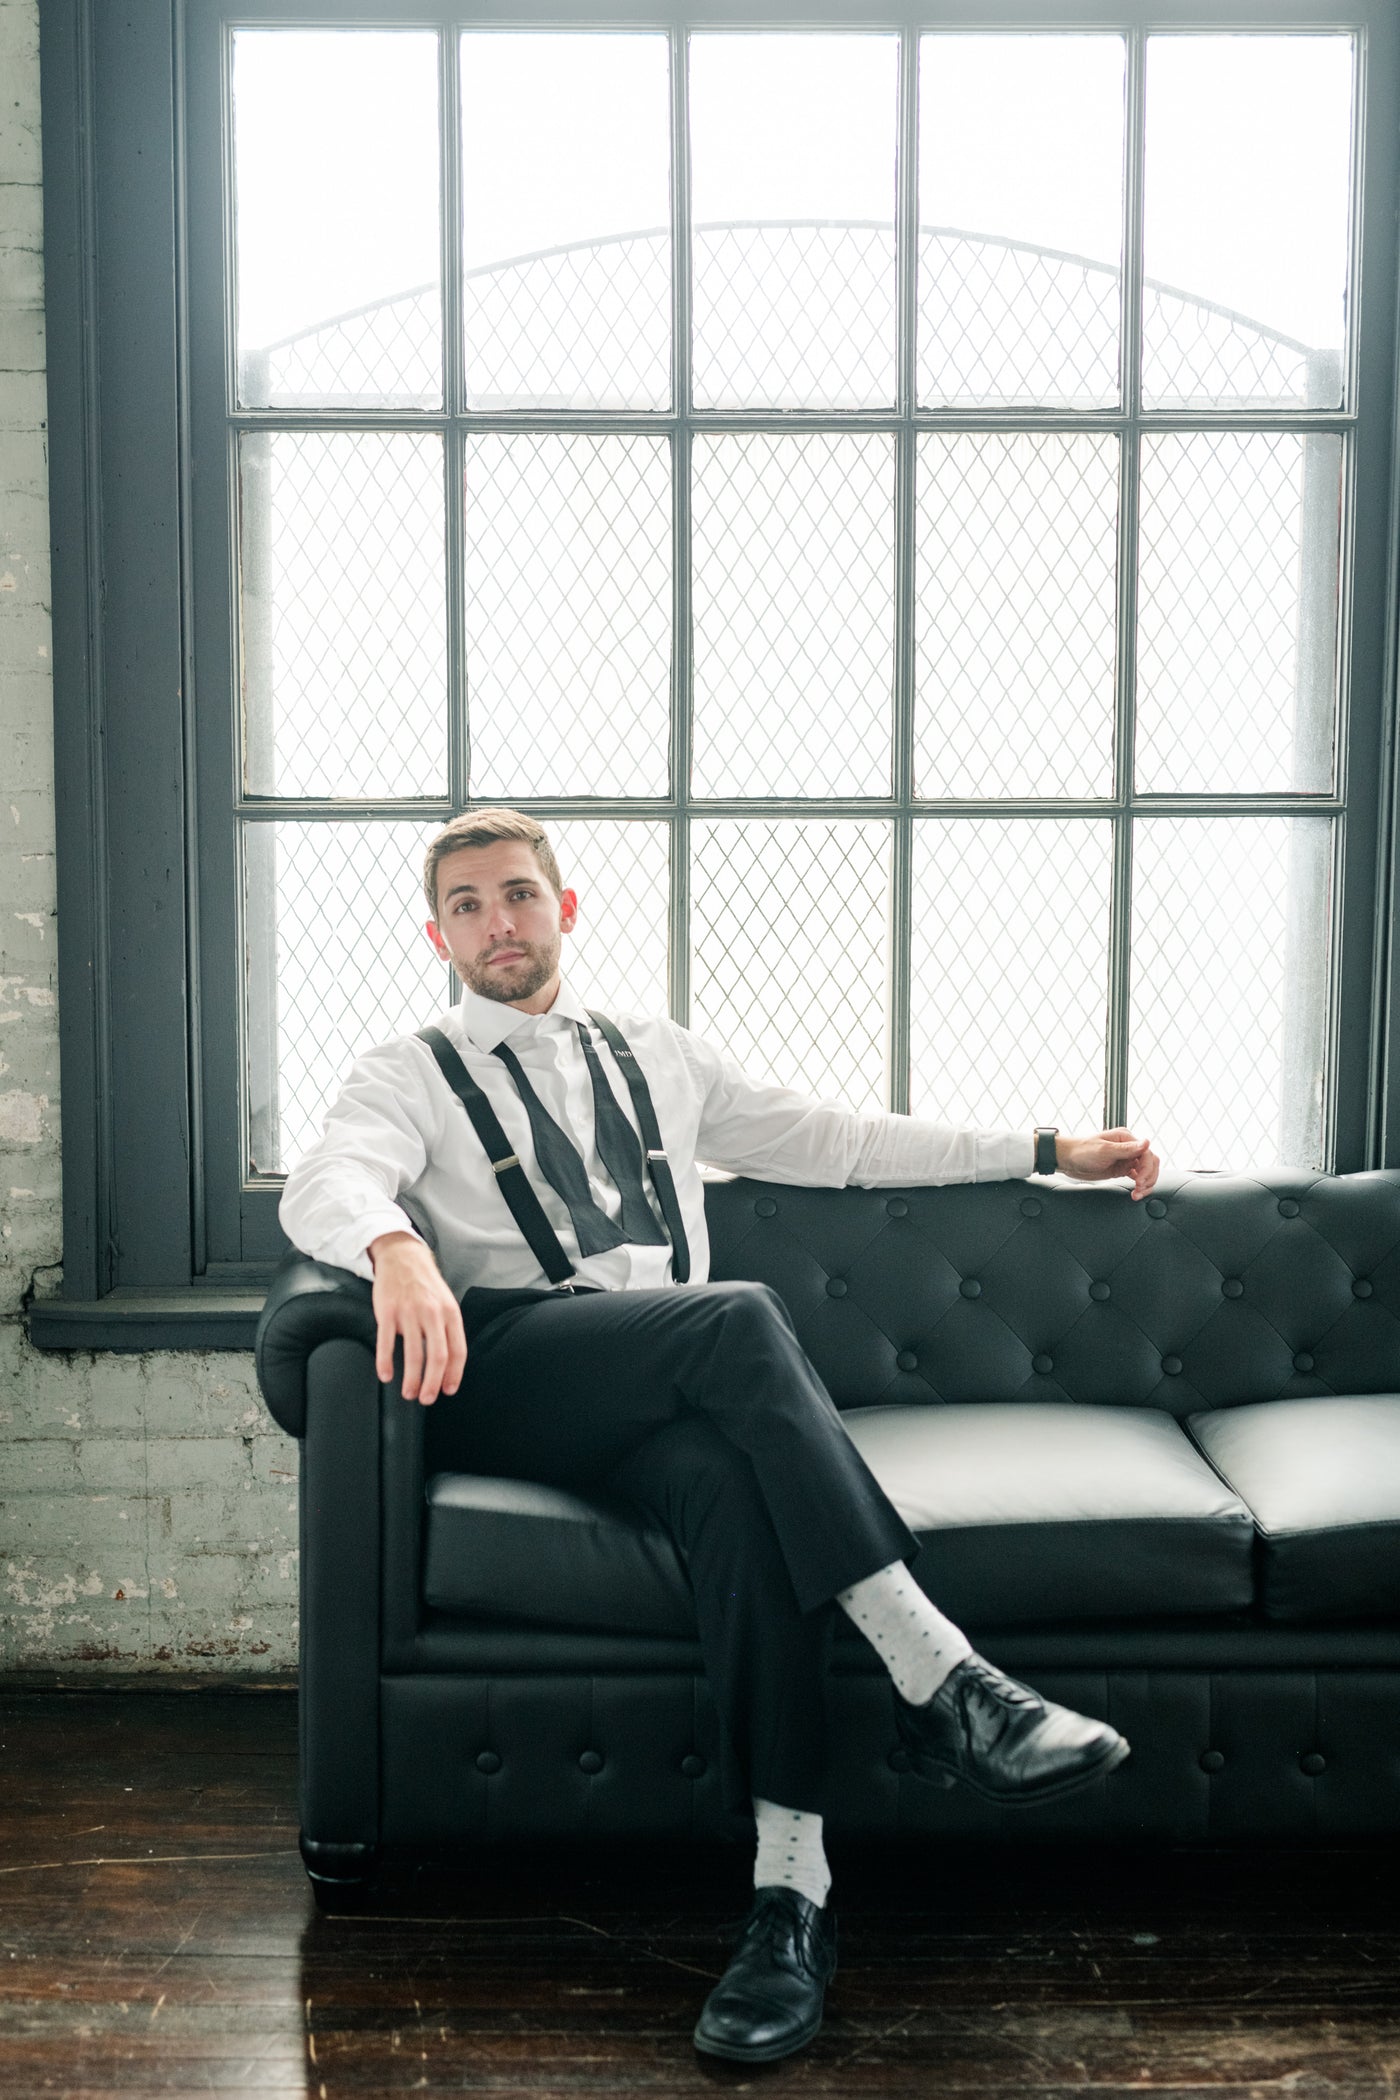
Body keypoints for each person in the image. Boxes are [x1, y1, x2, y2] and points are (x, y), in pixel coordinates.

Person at [280, 806, 1161, 2066]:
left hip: (665, 1394)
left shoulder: (656, 1052)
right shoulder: (405, 1070)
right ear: (437, 936)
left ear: (564, 908)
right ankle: (943, 1679)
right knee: (736, 1318)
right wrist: (396, 1245)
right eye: (467, 906)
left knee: (734, 1496)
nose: (498, 924)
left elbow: (838, 1141)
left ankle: (788, 1898)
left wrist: (1041, 1148)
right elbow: (331, 1176)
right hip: (519, 1376)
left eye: (519, 894)